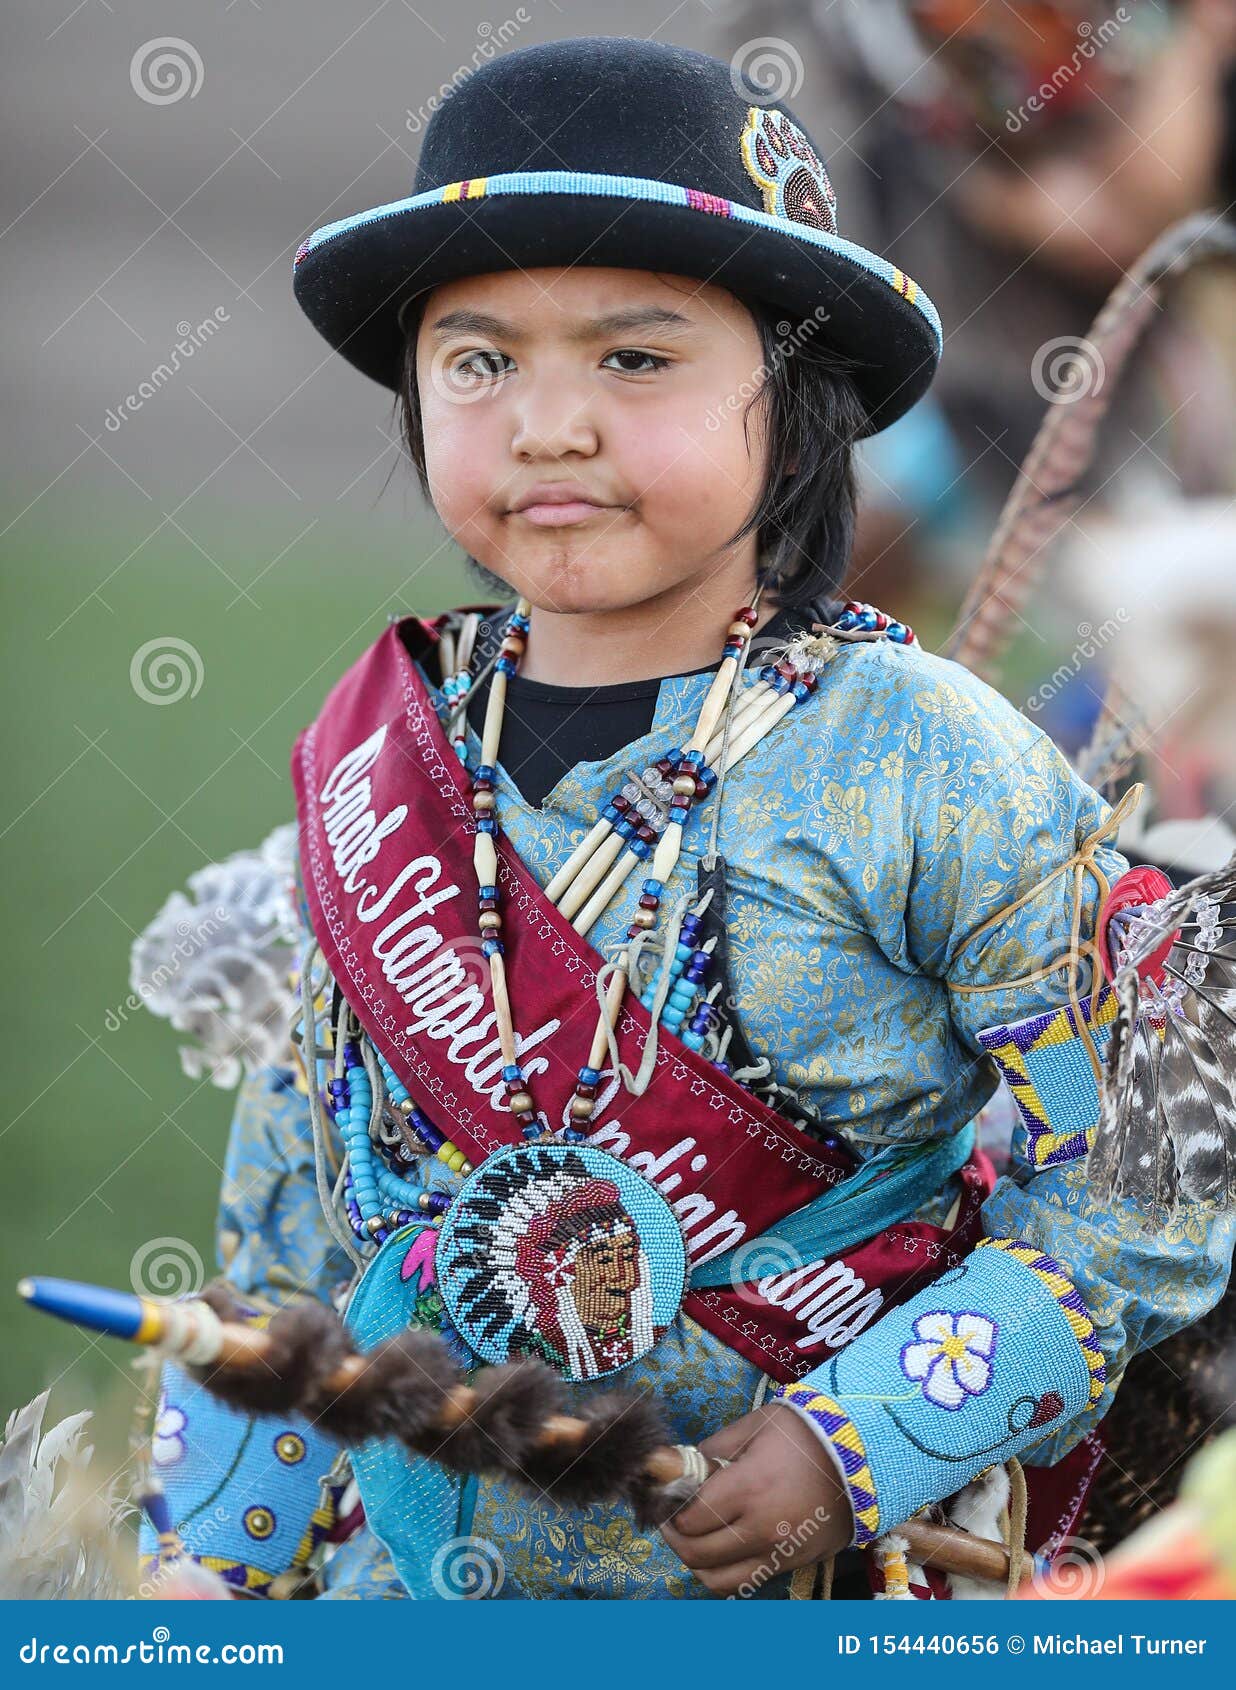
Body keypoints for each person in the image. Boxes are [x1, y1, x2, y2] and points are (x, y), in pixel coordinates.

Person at [136, 36, 1234, 1600]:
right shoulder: (380, 764)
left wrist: (862, 1436)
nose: (549, 422)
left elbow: (1147, 1180)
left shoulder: (925, 758)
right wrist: (201, 1588)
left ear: (794, 400)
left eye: (636, 359)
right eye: (478, 359)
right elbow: (286, 1250)